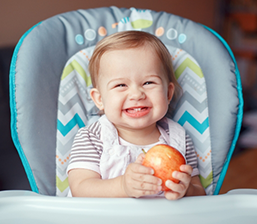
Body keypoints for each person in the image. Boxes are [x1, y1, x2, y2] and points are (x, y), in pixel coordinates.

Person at [67, 31, 206, 200]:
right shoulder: (92, 137)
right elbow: (80, 188)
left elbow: (200, 192)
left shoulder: (178, 139)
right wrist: (122, 186)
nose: (136, 94)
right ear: (100, 99)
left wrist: (187, 190)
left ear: (168, 93)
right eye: (121, 85)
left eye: (148, 82)